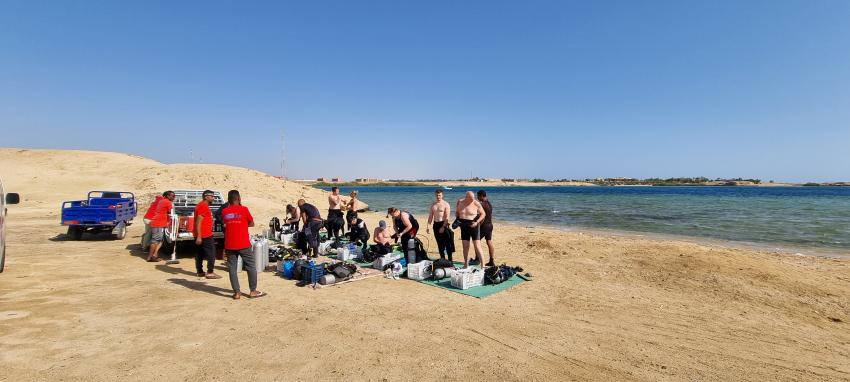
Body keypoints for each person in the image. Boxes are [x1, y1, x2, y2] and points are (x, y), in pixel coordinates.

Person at [221, 190, 264, 300]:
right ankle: (253, 291)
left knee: (232, 269)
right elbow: (252, 223)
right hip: (243, 243)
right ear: (239, 199)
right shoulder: (244, 209)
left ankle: (237, 293)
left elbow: (225, 224)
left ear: (229, 199)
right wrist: (242, 223)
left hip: (230, 244)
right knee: (250, 267)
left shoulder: (224, 211)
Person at [194, 190, 221, 279]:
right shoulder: (203, 206)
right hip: (205, 235)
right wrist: (199, 236)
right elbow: (198, 221)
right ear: (206, 197)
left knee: (199, 254)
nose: (213, 198)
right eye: (212, 196)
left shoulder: (202, 205)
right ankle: (210, 272)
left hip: (202, 234)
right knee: (211, 254)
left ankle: (200, 272)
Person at [455, 191, 486, 268]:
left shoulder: (476, 203)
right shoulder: (460, 202)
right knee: (465, 246)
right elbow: (457, 212)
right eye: (471, 198)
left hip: (473, 225)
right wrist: (457, 220)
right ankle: (466, 264)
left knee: (477, 246)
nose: (473, 199)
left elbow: (483, 214)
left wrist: (477, 222)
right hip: (463, 226)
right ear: (466, 197)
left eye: (473, 198)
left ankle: (483, 265)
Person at [147, 191, 175, 262]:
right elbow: (170, 212)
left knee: (160, 240)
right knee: (155, 240)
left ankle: (154, 255)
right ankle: (150, 257)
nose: (174, 197)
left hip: (159, 223)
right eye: (172, 196)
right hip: (158, 223)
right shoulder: (168, 202)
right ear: (168, 196)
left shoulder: (162, 201)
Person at [427, 188, 454, 261]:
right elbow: (430, 216)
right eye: (437, 195)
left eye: (439, 195)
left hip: (444, 224)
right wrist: (428, 226)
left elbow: (447, 216)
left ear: (442, 195)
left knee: (447, 244)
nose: (438, 197)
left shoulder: (446, 204)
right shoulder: (433, 205)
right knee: (439, 244)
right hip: (436, 225)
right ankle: (443, 259)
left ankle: (450, 260)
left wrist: (443, 227)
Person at [477, 190, 495, 266]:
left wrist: (478, 224)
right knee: (489, 242)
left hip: (484, 226)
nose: (477, 197)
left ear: (481, 196)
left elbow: (482, 216)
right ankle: (491, 260)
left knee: (476, 241)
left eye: (478, 196)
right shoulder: (489, 203)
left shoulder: (482, 204)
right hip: (490, 225)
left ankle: (477, 259)